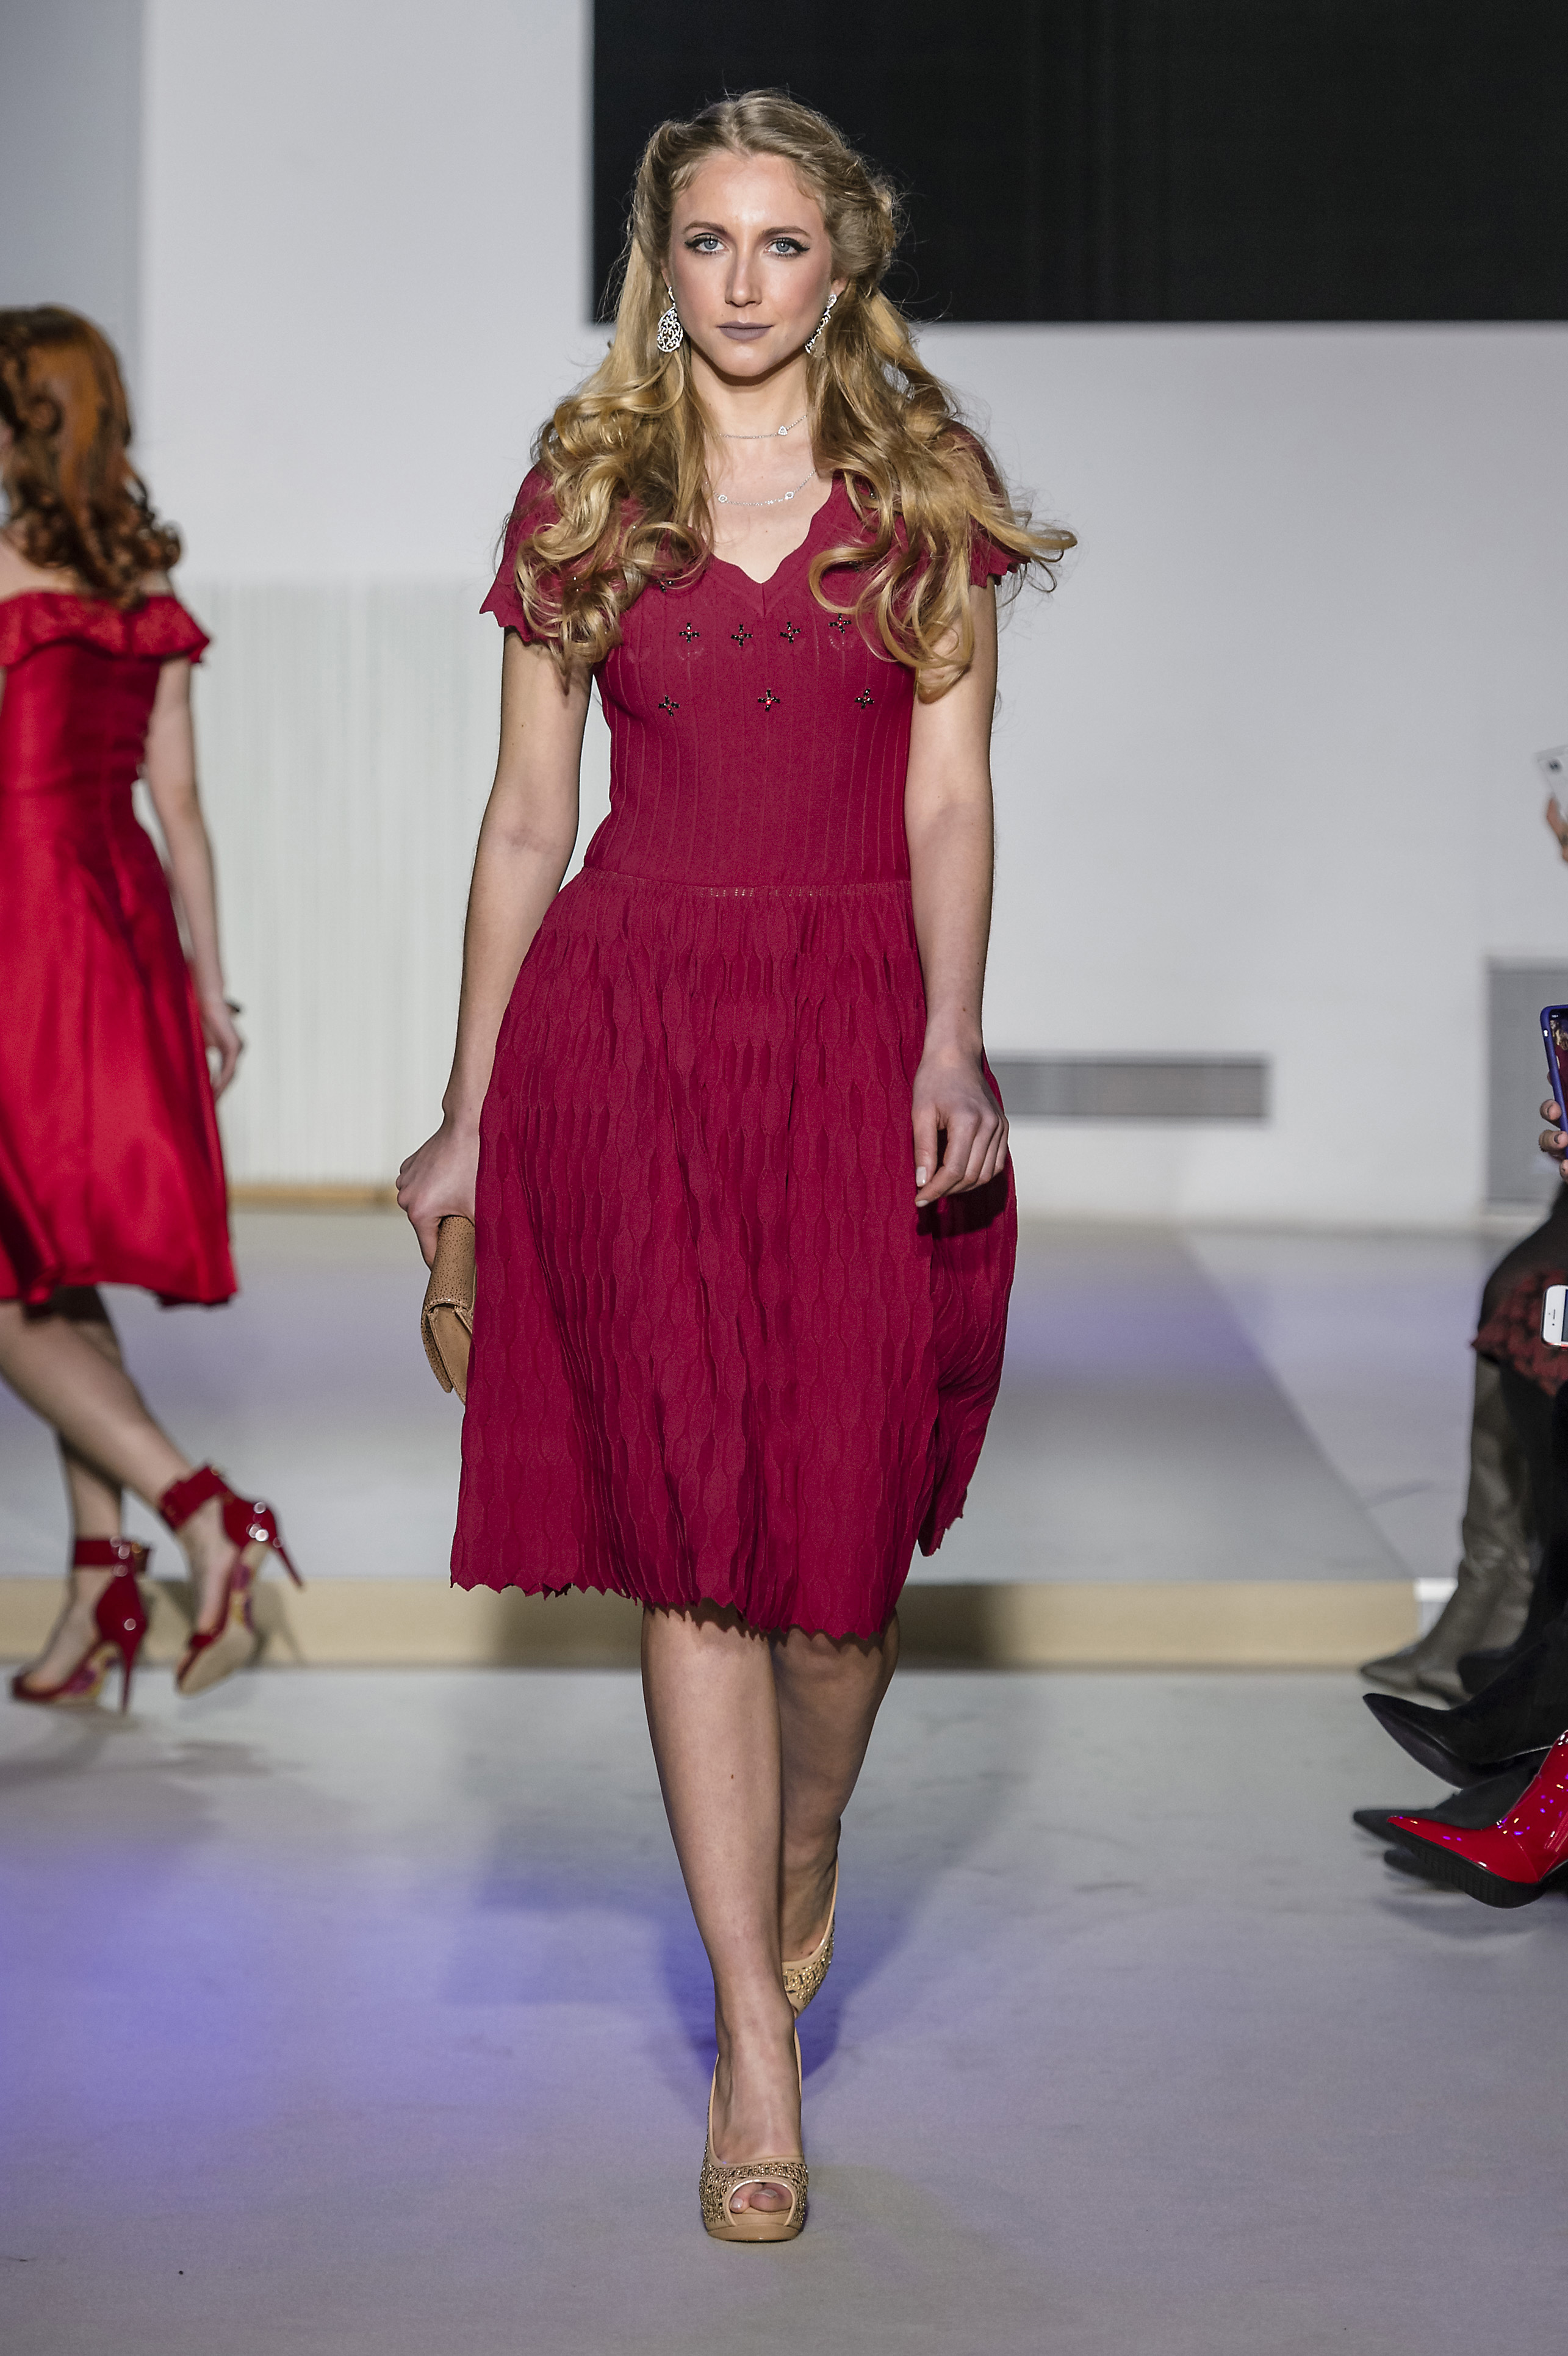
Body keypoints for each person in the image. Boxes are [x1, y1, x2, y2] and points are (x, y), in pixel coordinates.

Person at [397, 93, 1068, 2240]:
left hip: (862, 1033)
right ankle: (750, 2039)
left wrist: (951, 1031)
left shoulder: (917, 485)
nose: (746, 280)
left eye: (784, 242)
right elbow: (527, 817)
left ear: (841, 262)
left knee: (839, 1582)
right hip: (638, 1034)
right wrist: (470, 1107)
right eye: (709, 241)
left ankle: (800, 1845)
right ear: (660, 260)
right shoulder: (588, 489)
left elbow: (950, 796)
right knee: (692, 1543)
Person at [0, 307, 297, 1712]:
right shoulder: (144, 574)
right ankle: (99, 1580)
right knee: (49, 1267)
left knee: (16, 1270)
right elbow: (180, 806)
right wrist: (207, 984)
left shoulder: (4, 566)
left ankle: (202, 1514)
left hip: (21, 929)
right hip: (113, 925)